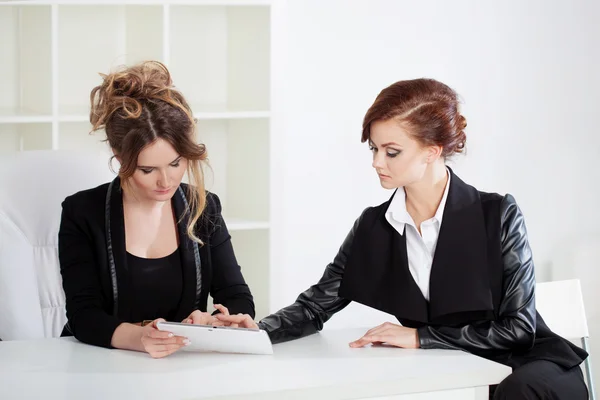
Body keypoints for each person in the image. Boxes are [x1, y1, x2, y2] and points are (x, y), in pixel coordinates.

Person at [215, 79, 589, 399]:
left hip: (533, 370)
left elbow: (519, 331)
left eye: (392, 152)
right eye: (374, 149)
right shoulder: (375, 227)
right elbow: (315, 307)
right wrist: (257, 330)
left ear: (432, 150)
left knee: (517, 389)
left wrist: (420, 337)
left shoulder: (497, 214)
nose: (377, 162)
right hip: (457, 377)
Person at [58, 61, 255, 358]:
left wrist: (216, 322)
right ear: (118, 156)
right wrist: (141, 338)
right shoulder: (82, 212)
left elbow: (236, 295)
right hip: (101, 362)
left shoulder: (204, 206)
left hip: (182, 363)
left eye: (176, 163)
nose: (167, 181)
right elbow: (83, 316)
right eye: (148, 169)